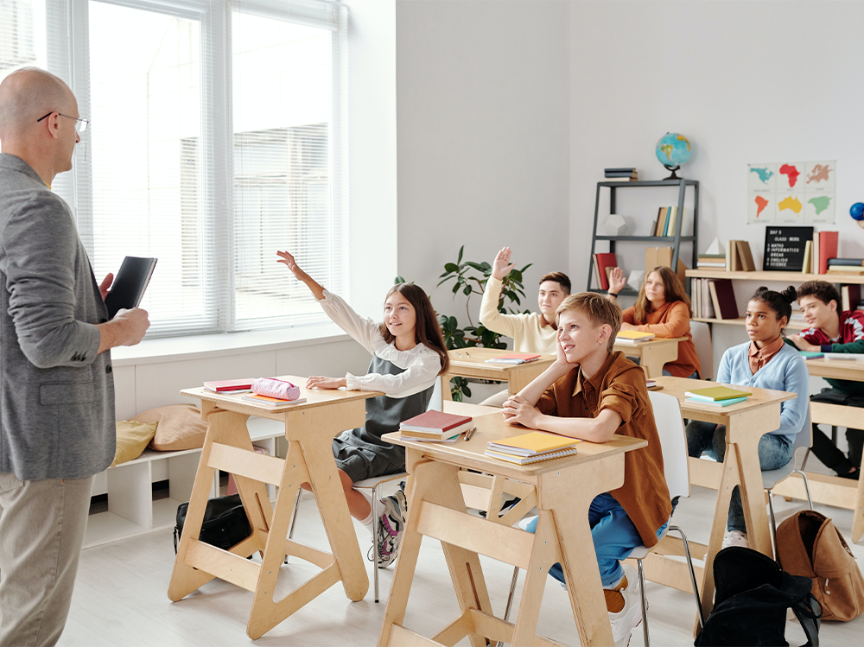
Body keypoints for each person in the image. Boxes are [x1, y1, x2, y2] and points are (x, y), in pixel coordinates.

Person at [0, 67, 150, 647]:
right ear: (52, 123)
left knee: (13, 587)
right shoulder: (40, 209)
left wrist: (91, 305)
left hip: (10, 428)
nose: (79, 139)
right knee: (31, 612)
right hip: (46, 440)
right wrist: (120, 328)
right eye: (77, 124)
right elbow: (45, 343)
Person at [502, 293, 671, 647]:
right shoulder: (569, 377)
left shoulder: (628, 373)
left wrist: (538, 419)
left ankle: (612, 600)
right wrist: (556, 367)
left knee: (588, 555)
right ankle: (620, 592)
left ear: (602, 333)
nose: (563, 335)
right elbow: (515, 409)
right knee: (535, 543)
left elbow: (600, 429)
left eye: (573, 327)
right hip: (589, 495)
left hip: (635, 499)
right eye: (560, 329)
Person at [277, 250, 448, 567]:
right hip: (359, 436)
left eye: (402, 308)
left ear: (419, 313)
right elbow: (342, 312)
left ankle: (379, 527)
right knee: (299, 469)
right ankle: (385, 516)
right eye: (388, 308)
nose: (392, 314)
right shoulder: (381, 342)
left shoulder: (428, 359)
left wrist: (345, 381)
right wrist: (303, 278)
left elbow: (397, 385)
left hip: (394, 445)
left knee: (335, 481)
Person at [686, 287, 809, 549]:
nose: (751, 322)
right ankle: (660, 510)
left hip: (776, 445)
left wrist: (745, 426)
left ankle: (737, 530)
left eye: (761, 316)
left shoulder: (793, 362)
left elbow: (794, 422)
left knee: (727, 438)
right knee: (696, 427)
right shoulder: (732, 355)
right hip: (732, 436)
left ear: (782, 322)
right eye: (749, 315)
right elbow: (718, 404)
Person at [786, 280, 864, 479]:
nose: (807, 314)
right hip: (840, 392)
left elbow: (862, 347)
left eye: (812, 306)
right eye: (803, 310)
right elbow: (788, 346)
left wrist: (815, 349)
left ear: (832, 305)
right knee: (798, 416)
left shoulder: (856, 319)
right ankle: (846, 470)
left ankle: (855, 479)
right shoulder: (812, 334)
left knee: (857, 431)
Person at [478, 246, 571, 406]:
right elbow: (488, 318)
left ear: (567, 298)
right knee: (482, 410)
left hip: (555, 394)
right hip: (519, 390)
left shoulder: (573, 328)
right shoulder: (525, 322)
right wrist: (496, 277)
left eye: (553, 294)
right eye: (542, 293)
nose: (546, 299)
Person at [608, 265, 701, 378]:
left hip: (681, 370)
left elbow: (673, 330)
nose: (652, 288)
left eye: (659, 284)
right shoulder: (640, 307)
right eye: (649, 282)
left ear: (669, 287)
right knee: (614, 370)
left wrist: (633, 329)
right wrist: (612, 292)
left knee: (633, 377)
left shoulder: (679, 307)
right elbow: (607, 319)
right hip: (649, 363)